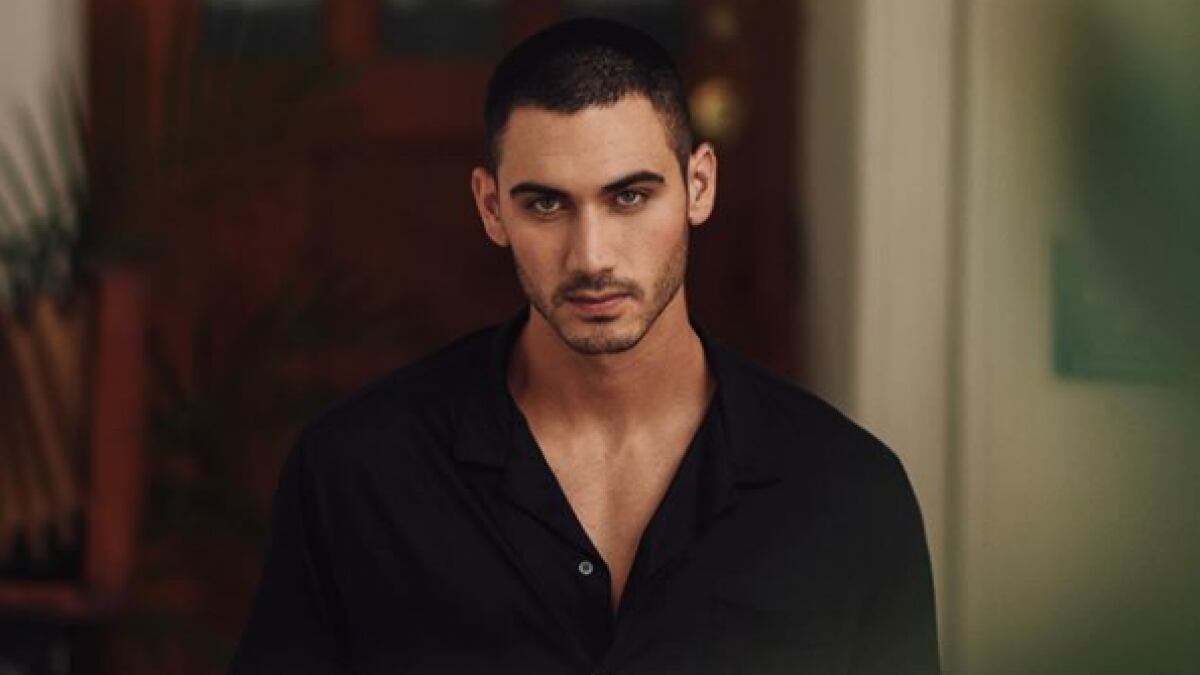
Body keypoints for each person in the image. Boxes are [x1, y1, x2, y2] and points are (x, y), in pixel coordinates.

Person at [229, 18, 939, 675]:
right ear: (490, 207)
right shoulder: (357, 474)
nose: (591, 256)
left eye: (629, 197)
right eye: (546, 204)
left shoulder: (845, 492)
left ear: (699, 186)